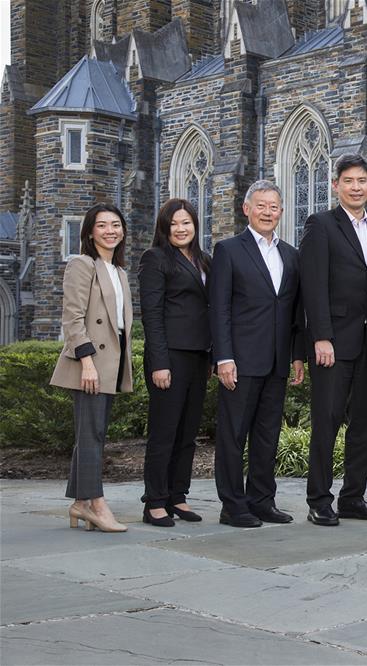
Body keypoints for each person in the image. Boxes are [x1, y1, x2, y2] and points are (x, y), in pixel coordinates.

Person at [300, 154, 367, 526]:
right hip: (334, 344)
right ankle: (319, 498)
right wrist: (321, 336)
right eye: (349, 181)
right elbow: (313, 285)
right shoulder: (320, 225)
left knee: (365, 425)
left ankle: (353, 497)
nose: (356, 187)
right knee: (327, 421)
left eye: (362, 181)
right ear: (335, 185)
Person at [209, 180, 305, 528]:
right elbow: (218, 309)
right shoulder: (229, 250)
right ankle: (233, 505)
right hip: (240, 360)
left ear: (281, 211)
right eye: (261, 205)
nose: (268, 212)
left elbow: (295, 312)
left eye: (274, 206)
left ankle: (262, 500)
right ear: (246, 209)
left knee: (267, 435)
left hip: (278, 361)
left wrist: (297, 355)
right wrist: (224, 357)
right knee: (233, 435)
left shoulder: (291, 255)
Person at [50, 203, 134, 533]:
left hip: (111, 363)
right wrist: (86, 361)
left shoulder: (120, 272)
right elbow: (72, 318)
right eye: (102, 225)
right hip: (91, 364)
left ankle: (79, 504)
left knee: (93, 434)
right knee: (91, 435)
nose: (110, 230)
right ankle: (96, 504)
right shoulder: (81, 265)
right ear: (89, 232)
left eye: (116, 225)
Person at [138, 199, 213, 527]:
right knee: (164, 432)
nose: (181, 229)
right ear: (164, 228)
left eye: (187, 223)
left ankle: (177, 496)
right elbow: (152, 315)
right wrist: (159, 362)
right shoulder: (154, 259)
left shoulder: (203, 260)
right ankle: (154, 501)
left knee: (187, 433)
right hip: (169, 357)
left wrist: (211, 356)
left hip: (198, 357)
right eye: (174, 224)